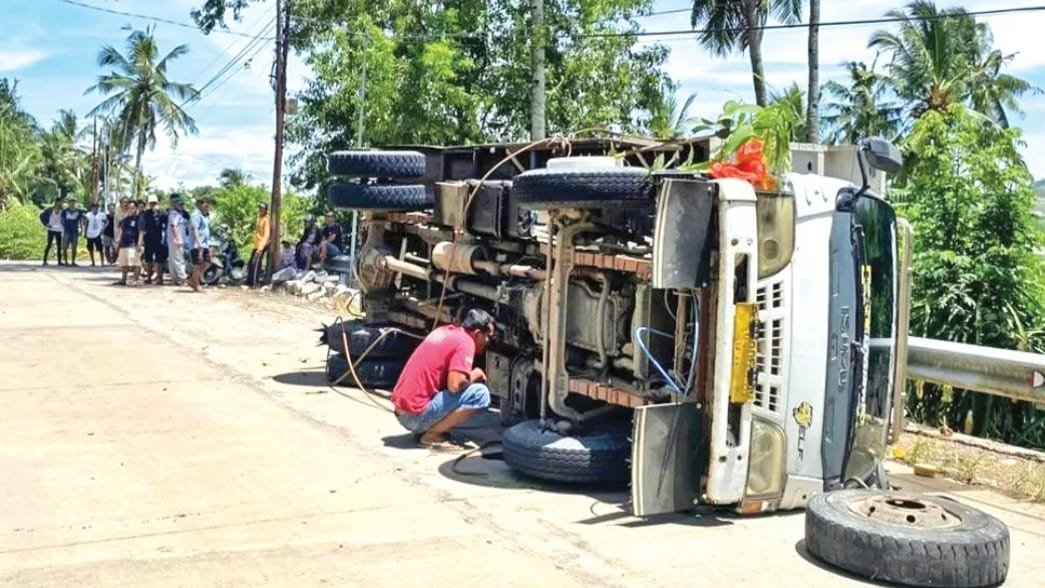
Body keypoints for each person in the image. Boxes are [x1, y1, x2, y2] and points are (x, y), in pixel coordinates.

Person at [391, 309, 496, 451]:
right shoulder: (466, 342)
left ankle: (428, 428)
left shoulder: (444, 331)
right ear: (477, 334)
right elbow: (454, 385)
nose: (489, 342)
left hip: (401, 411)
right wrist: (476, 374)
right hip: (414, 417)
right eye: (488, 337)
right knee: (480, 394)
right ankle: (431, 435)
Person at [140, 194, 168, 285]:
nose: (153, 205)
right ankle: (149, 277)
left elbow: (166, 225)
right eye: (151, 203)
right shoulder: (145, 214)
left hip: (159, 239)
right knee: (148, 258)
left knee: (160, 259)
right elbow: (142, 226)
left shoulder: (163, 213)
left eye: (154, 203)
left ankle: (160, 278)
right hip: (148, 238)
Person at [188, 196, 212, 292]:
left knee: (207, 262)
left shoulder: (205, 215)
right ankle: (196, 285)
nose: (206, 205)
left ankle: (192, 280)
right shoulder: (195, 215)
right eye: (203, 203)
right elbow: (194, 229)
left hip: (205, 244)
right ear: (198, 204)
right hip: (197, 245)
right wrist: (198, 243)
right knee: (198, 264)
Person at [115, 203, 142, 286]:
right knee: (124, 264)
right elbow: (121, 231)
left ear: (136, 208)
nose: (131, 209)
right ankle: (123, 279)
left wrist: (139, 243)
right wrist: (118, 243)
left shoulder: (138, 219)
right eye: (129, 208)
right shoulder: (124, 220)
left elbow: (141, 232)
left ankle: (135, 280)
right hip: (124, 244)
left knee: (135, 263)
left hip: (133, 244)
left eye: (132, 208)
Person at [246, 202, 271, 287]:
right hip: (256, 245)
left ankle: (254, 283)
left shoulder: (266, 219)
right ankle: (249, 282)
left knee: (255, 263)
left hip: (261, 245)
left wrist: (260, 248)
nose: (260, 209)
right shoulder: (259, 218)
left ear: (266, 210)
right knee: (251, 263)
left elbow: (266, 235)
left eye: (262, 208)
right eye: (260, 208)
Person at [166, 194, 189, 286]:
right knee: (179, 259)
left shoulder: (179, 214)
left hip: (174, 241)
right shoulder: (174, 214)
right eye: (179, 204)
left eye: (182, 204)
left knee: (173, 260)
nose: (181, 206)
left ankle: (175, 279)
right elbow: (173, 226)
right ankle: (182, 278)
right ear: (174, 204)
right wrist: (178, 238)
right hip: (176, 240)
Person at [39, 199, 65, 266]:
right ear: (56, 202)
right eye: (60, 202)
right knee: (49, 244)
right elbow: (41, 216)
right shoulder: (49, 210)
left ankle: (59, 261)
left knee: (59, 246)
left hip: (59, 229)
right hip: (51, 229)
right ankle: (44, 260)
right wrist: (46, 224)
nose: (61, 203)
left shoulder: (62, 211)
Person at [61, 197, 85, 266]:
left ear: (75, 202)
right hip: (67, 230)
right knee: (65, 247)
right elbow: (62, 220)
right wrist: (64, 227)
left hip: (75, 230)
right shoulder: (65, 211)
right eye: (70, 202)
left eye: (73, 202)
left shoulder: (78, 211)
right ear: (68, 203)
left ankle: (73, 261)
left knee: (74, 247)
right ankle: (66, 261)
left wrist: (82, 229)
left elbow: (81, 221)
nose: (72, 203)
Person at [84, 202, 107, 267]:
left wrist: (103, 229)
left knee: (100, 249)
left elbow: (106, 222)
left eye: (96, 207)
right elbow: (86, 224)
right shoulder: (88, 214)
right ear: (91, 208)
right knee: (90, 248)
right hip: (90, 233)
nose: (95, 208)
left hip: (98, 233)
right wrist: (85, 232)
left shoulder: (101, 214)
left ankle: (102, 262)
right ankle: (93, 262)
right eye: (93, 207)